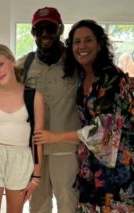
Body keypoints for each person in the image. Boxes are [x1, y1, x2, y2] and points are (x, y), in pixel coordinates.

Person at [34, 19, 134, 212]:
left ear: (99, 44)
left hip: (117, 164)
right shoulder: (80, 75)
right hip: (89, 164)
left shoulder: (113, 77)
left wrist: (56, 137)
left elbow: (104, 131)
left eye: (88, 40)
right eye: (77, 42)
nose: (82, 46)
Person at [15, 7, 81, 213]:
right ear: (33, 33)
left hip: (67, 151)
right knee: (38, 205)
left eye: (50, 28)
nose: (44, 34)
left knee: (68, 205)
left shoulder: (76, 63)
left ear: (59, 29)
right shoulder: (23, 65)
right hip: (35, 152)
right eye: (39, 29)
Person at [0, 44, 44, 213]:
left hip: (21, 158)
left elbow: (37, 140)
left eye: (0, 64)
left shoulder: (34, 97)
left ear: (11, 61)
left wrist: (36, 177)